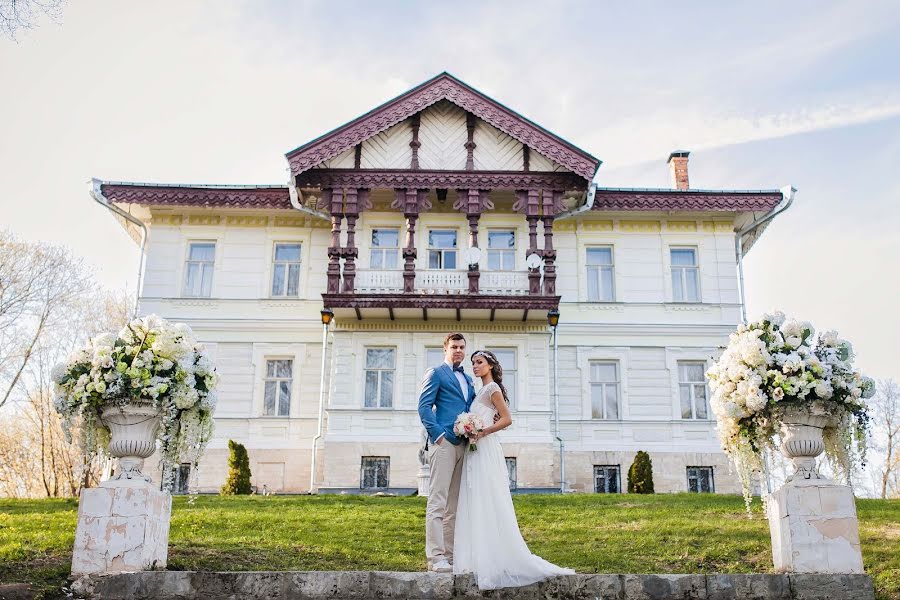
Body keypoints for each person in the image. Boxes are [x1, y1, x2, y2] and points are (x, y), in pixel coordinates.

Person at [453, 350, 575, 589]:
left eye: (479, 363)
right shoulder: (481, 391)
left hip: (485, 447)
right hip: (475, 447)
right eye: (473, 363)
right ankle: (477, 556)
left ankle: (494, 558)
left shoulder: (493, 389)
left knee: (487, 497)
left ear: (490, 365)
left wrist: (482, 431)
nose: (475, 366)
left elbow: (507, 419)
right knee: (475, 497)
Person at [417, 332, 475, 573]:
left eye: (462, 347)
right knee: (437, 501)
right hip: (444, 444)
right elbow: (424, 406)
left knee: (454, 505)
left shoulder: (469, 379)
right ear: (445, 349)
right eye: (454, 346)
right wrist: (438, 435)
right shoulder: (436, 373)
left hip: (465, 444)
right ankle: (435, 557)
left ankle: (449, 557)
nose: (459, 350)